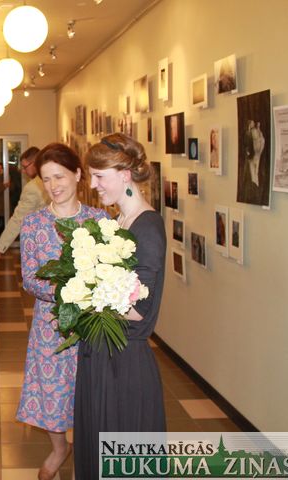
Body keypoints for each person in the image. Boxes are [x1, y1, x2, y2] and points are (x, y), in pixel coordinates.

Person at [74, 133, 167, 479]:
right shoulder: (118, 222)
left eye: (99, 176)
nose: (93, 185)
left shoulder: (148, 227)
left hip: (123, 361)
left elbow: (137, 309)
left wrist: (82, 296)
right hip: (102, 354)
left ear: (125, 175)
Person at [16, 143, 108, 480]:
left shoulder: (99, 221)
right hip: (50, 324)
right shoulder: (34, 224)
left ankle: (87, 453)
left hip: (91, 325)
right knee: (53, 391)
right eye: (46, 179)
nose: (53, 185)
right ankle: (59, 449)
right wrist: (63, 291)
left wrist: (94, 291)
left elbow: (112, 272)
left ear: (78, 174)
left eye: (59, 176)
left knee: (89, 391)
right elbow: (29, 278)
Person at [0, 146, 49, 264]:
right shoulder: (52, 180)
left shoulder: (32, 187)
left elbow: (18, 219)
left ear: (35, 163)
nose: (23, 171)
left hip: (41, 244)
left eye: (25, 167)